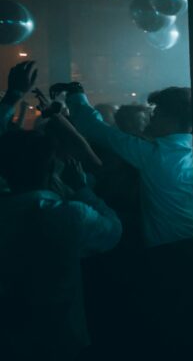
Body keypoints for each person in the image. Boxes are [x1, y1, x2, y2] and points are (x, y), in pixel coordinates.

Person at [57, 81, 193, 358]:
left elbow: (99, 131)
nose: (152, 118)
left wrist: (76, 95)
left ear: (173, 118)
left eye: (158, 113)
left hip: (167, 254)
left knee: (168, 327)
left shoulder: (157, 155)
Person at [0, 124, 122, 360]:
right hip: (58, 327)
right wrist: (82, 190)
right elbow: (113, 232)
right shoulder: (68, 215)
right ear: (51, 166)